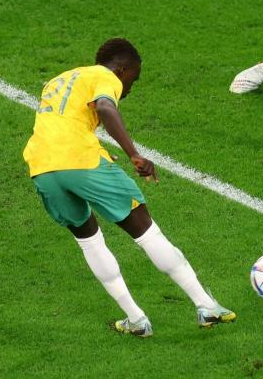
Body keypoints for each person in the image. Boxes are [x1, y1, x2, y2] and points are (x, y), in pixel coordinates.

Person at [22, 37, 236, 336]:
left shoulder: (59, 80)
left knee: (89, 241)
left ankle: (136, 319)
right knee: (146, 232)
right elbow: (106, 107)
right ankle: (206, 305)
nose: (131, 87)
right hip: (81, 160)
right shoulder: (104, 75)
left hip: (41, 167)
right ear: (122, 69)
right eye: (134, 78)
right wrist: (133, 154)